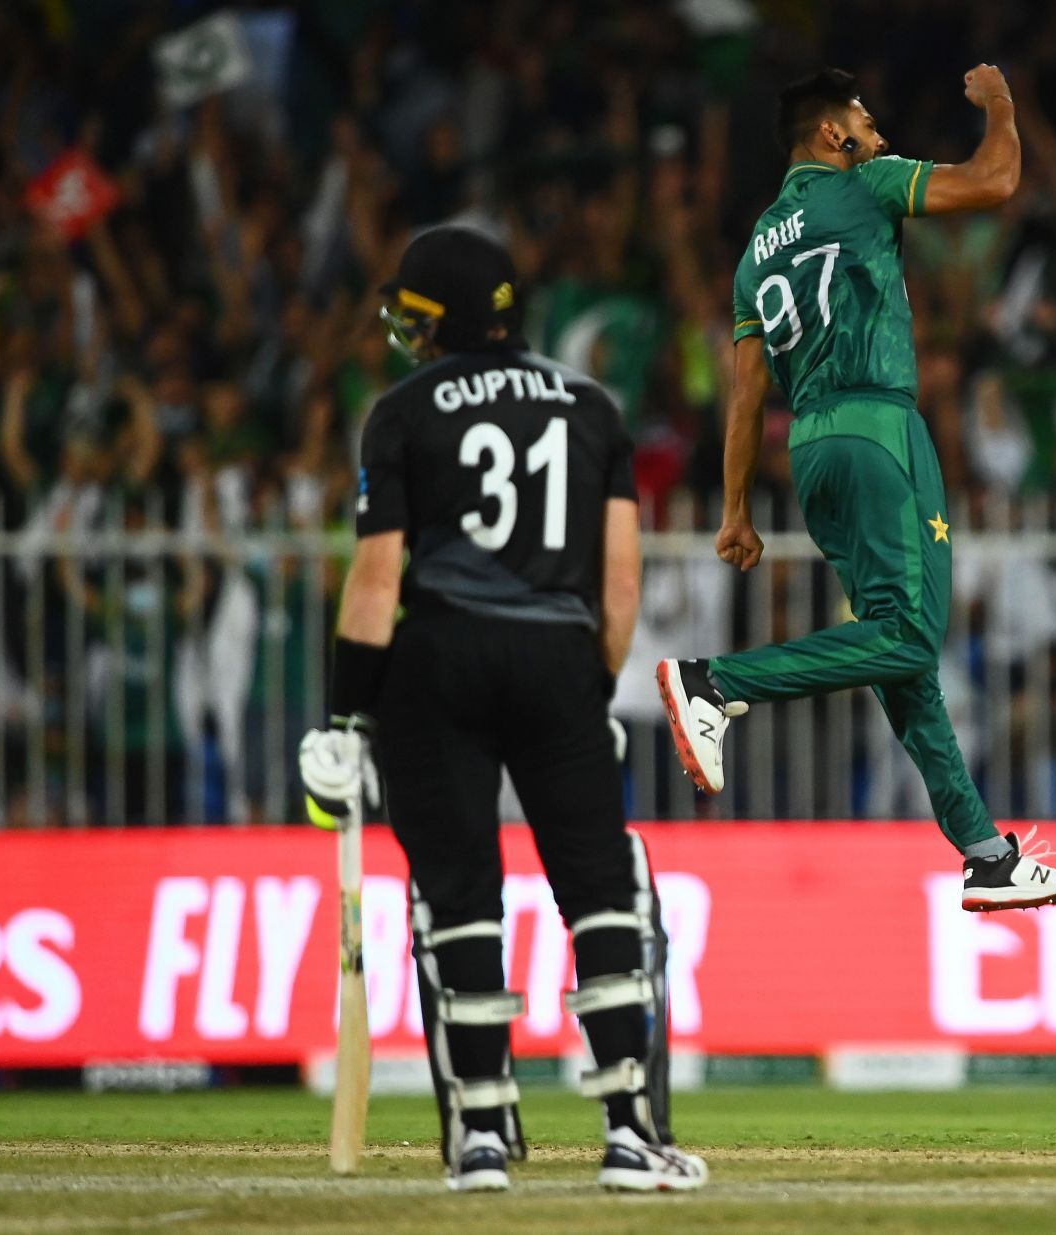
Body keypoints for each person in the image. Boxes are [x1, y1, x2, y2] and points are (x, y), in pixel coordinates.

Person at [297, 225, 705, 1193]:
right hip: (560, 654)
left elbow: (375, 576)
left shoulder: (399, 412)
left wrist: (345, 718)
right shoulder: (593, 408)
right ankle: (628, 1133)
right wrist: (588, 687)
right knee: (604, 891)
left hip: (435, 659)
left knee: (459, 895)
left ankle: (480, 1133)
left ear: (442, 317)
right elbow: (618, 585)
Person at [656, 66, 1056, 911]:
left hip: (809, 449)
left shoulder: (753, 255)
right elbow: (995, 180)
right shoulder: (865, 186)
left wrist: (738, 507)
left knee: (897, 654)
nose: (878, 130)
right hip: (879, 427)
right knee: (915, 639)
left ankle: (983, 851)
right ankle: (717, 683)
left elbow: (746, 397)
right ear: (830, 136)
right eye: (864, 117)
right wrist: (1003, 104)